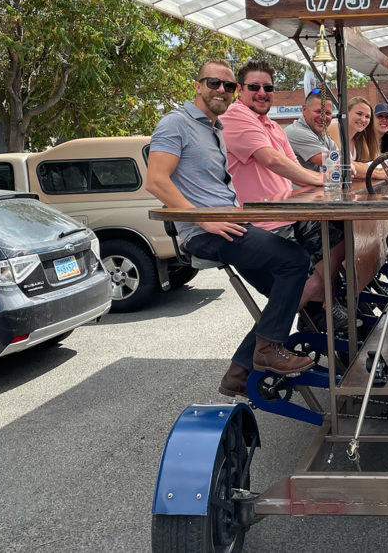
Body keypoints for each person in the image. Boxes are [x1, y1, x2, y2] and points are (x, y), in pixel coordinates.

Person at [146, 59, 315, 399]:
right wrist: (201, 218)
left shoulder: (215, 129)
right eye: (213, 83)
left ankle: (239, 373)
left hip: (230, 224)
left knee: (297, 292)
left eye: (228, 86)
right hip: (205, 233)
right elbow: (155, 180)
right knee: (294, 261)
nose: (221, 90)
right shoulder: (175, 123)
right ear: (197, 85)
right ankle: (265, 352)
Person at [219, 60, 348, 333]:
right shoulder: (235, 117)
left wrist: (321, 188)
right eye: (254, 86)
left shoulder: (274, 127)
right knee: (310, 283)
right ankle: (250, 358)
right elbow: (273, 160)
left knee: (340, 236)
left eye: (268, 87)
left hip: (287, 214)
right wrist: (323, 181)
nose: (262, 92)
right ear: (240, 90)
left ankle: (324, 309)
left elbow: (294, 171)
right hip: (261, 221)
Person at [326, 96, 385, 179]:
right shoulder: (335, 127)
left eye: (367, 116)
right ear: (347, 112)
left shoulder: (359, 137)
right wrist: (378, 173)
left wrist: (383, 170)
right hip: (322, 186)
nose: (363, 120)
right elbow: (343, 163)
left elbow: (369, 163)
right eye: (359, 114)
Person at [285, 88, 337, 172]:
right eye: (318, 111)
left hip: (315, 184)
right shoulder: (297, 132)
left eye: (327, 113)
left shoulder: (324, 137)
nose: (323, 117)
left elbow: (344, 162)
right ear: (304, 110)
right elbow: (335, 164)